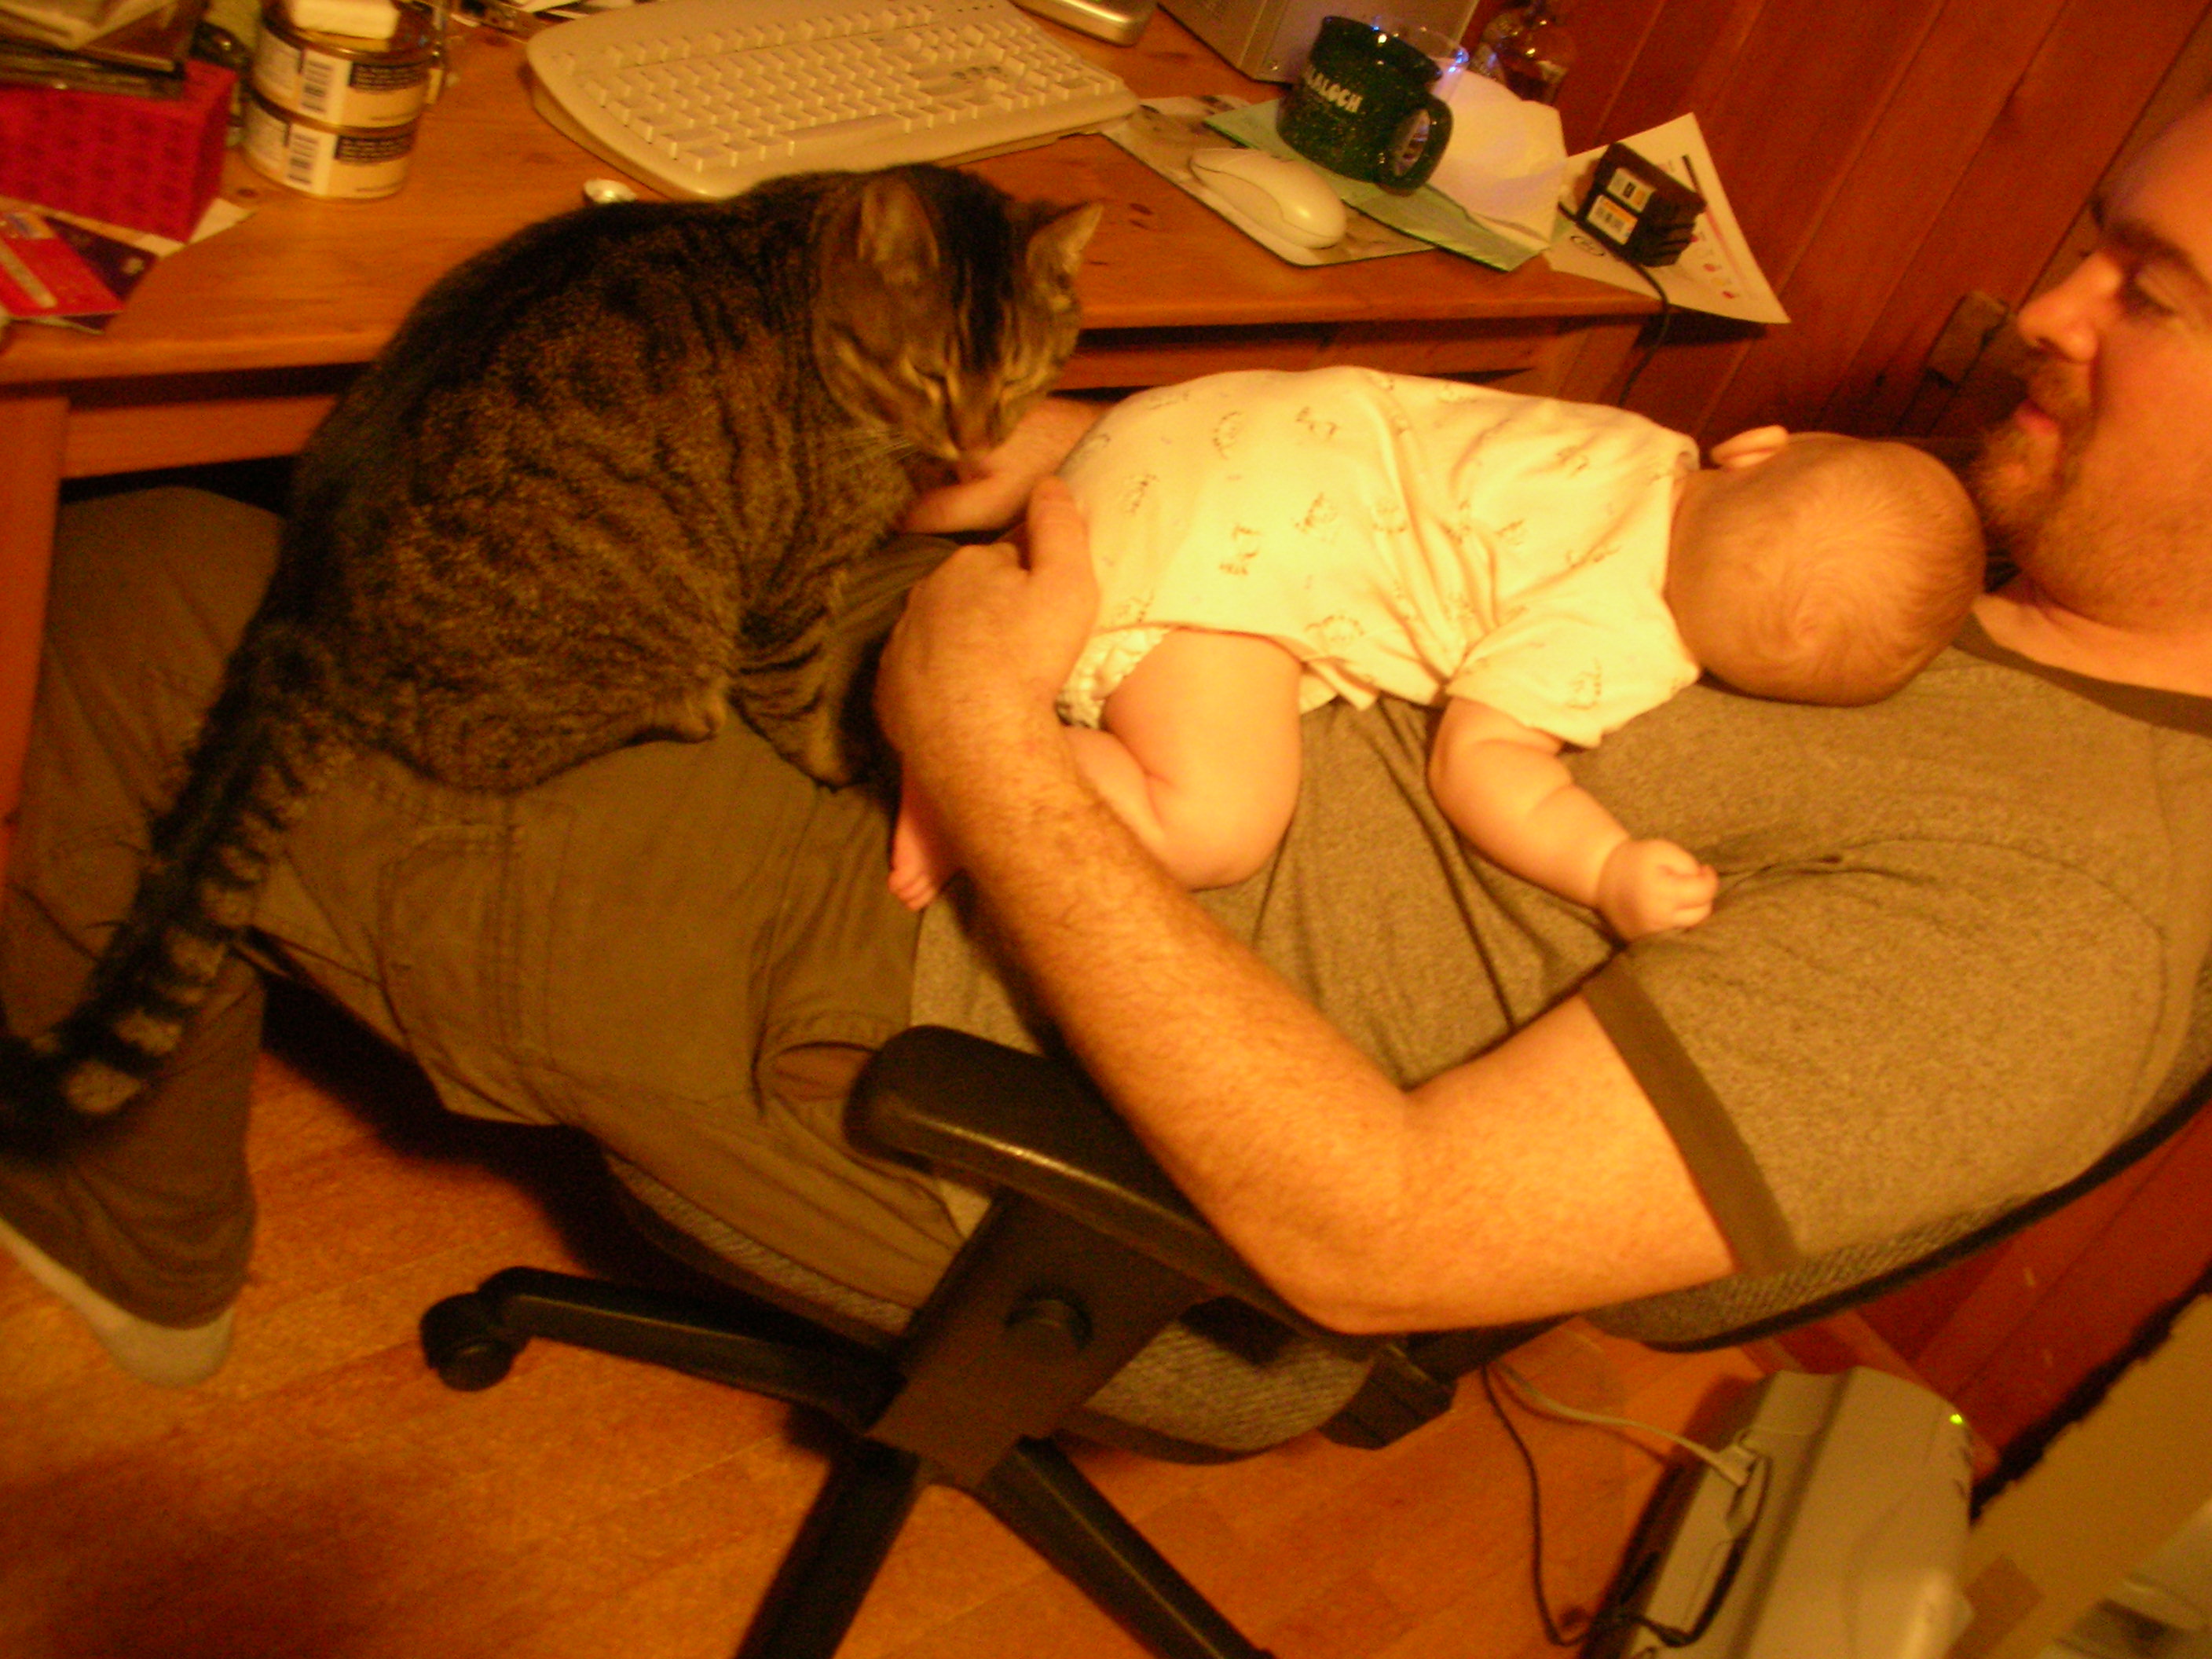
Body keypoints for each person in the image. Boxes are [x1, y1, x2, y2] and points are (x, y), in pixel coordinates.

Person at [5, 98, 2211, 1389]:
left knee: (131, 592)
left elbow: (1379, 1238)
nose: (2042, 314)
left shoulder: (2068, 915)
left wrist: (978, 733)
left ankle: (136, 1248)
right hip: (1077, 690)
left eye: (2160, 293)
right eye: (2092, 248)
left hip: (969, 1038)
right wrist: (1061, 454)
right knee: (407, 443)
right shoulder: (1921, 549)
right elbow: (1399, 537)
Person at [887, 371, 1985, 939]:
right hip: (1223, 561)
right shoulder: (1619, 635)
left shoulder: (1639, 442)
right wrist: (1602, 866)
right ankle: (975, 753)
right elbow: (1482, 762)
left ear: (1758, 450)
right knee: (1216, 823)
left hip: (1186, 425)